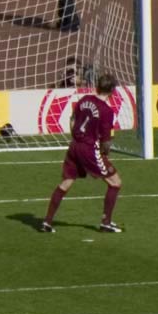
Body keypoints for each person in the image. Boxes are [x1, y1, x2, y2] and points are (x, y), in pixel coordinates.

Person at [39, 73, 123, 233]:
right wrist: (104, 154)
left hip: (74, 145)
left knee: (66, 182)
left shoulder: (85, 100)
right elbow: (106, 141)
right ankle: (106, 223)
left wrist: (76, 138)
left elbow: (72, 119)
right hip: (89, 148)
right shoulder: (106, 110)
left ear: (97, 86)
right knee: (115, 182)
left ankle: (47, 222)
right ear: (113, 90)